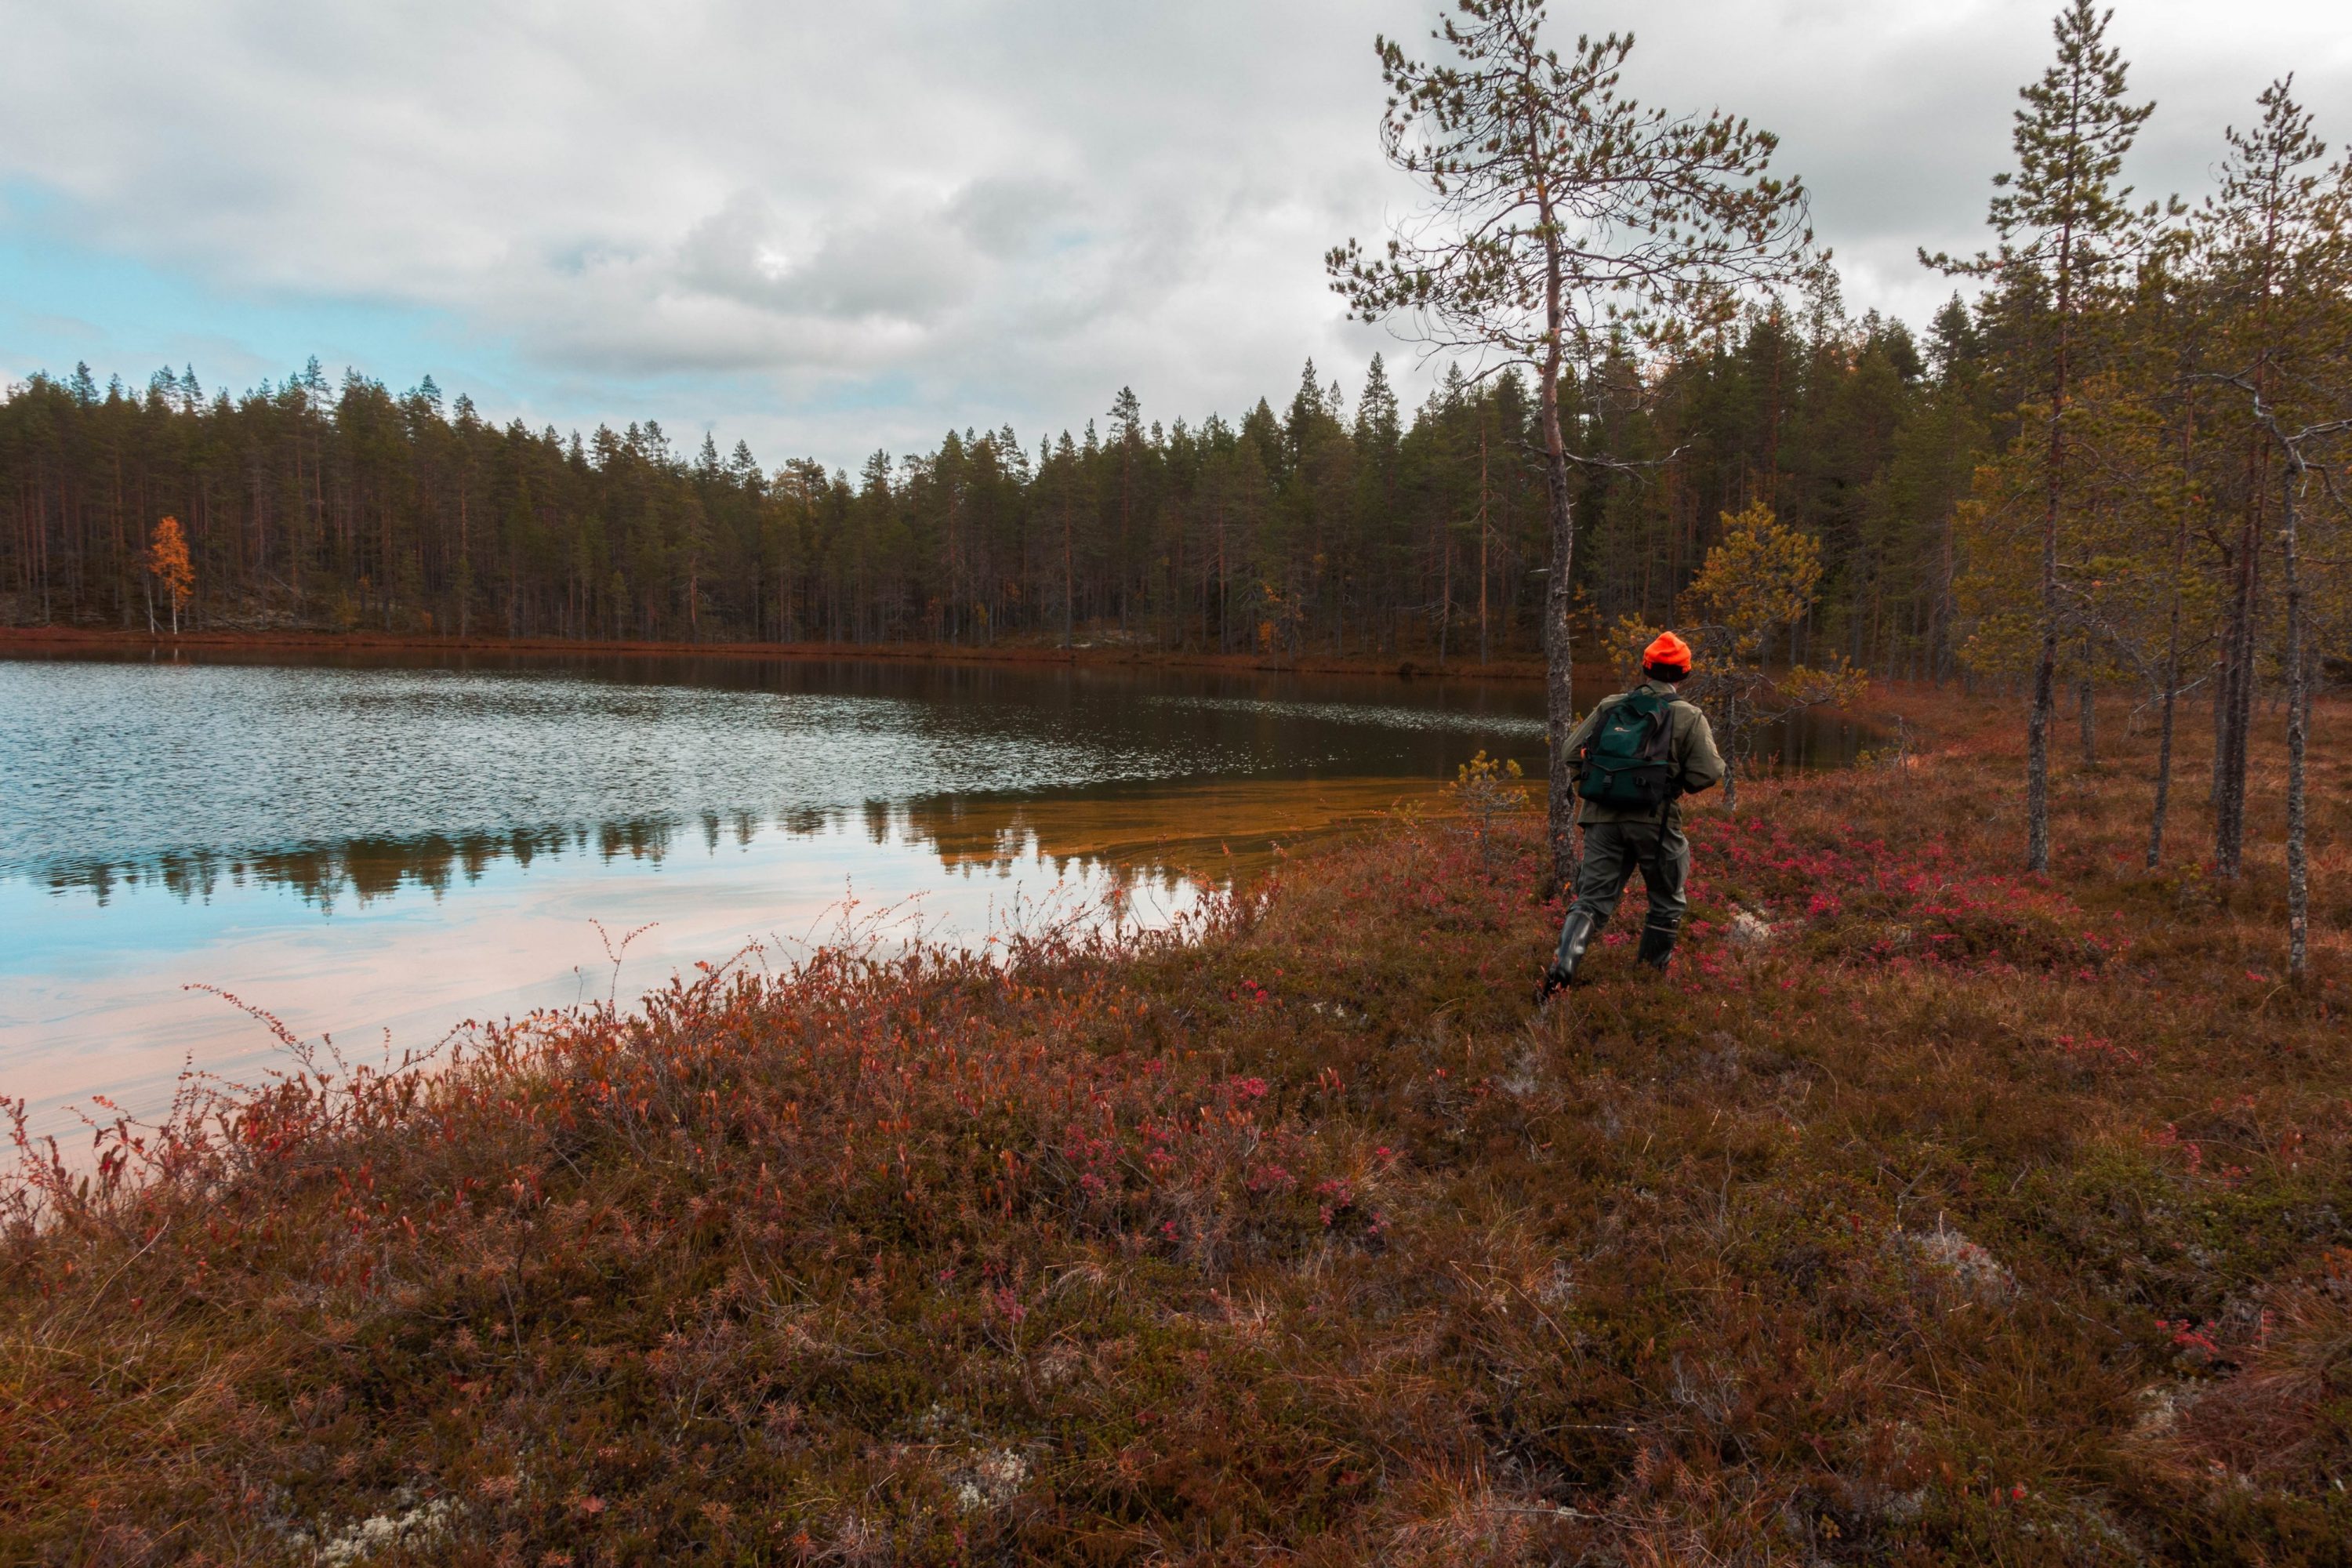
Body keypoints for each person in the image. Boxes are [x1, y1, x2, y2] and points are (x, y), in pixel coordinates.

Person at [1540, 631, 1724, 995]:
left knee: (1591, 900)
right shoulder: (1688, 716)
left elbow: (1568, 752)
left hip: (1601, 818)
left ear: (1646, 667)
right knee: (1666, 900)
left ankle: (1564, 966)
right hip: (1654, 823)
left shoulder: (1611, 705)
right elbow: (1708, 773)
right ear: (1684, 674)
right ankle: (1648, 985)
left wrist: (1594, 784)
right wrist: (1670, 786)